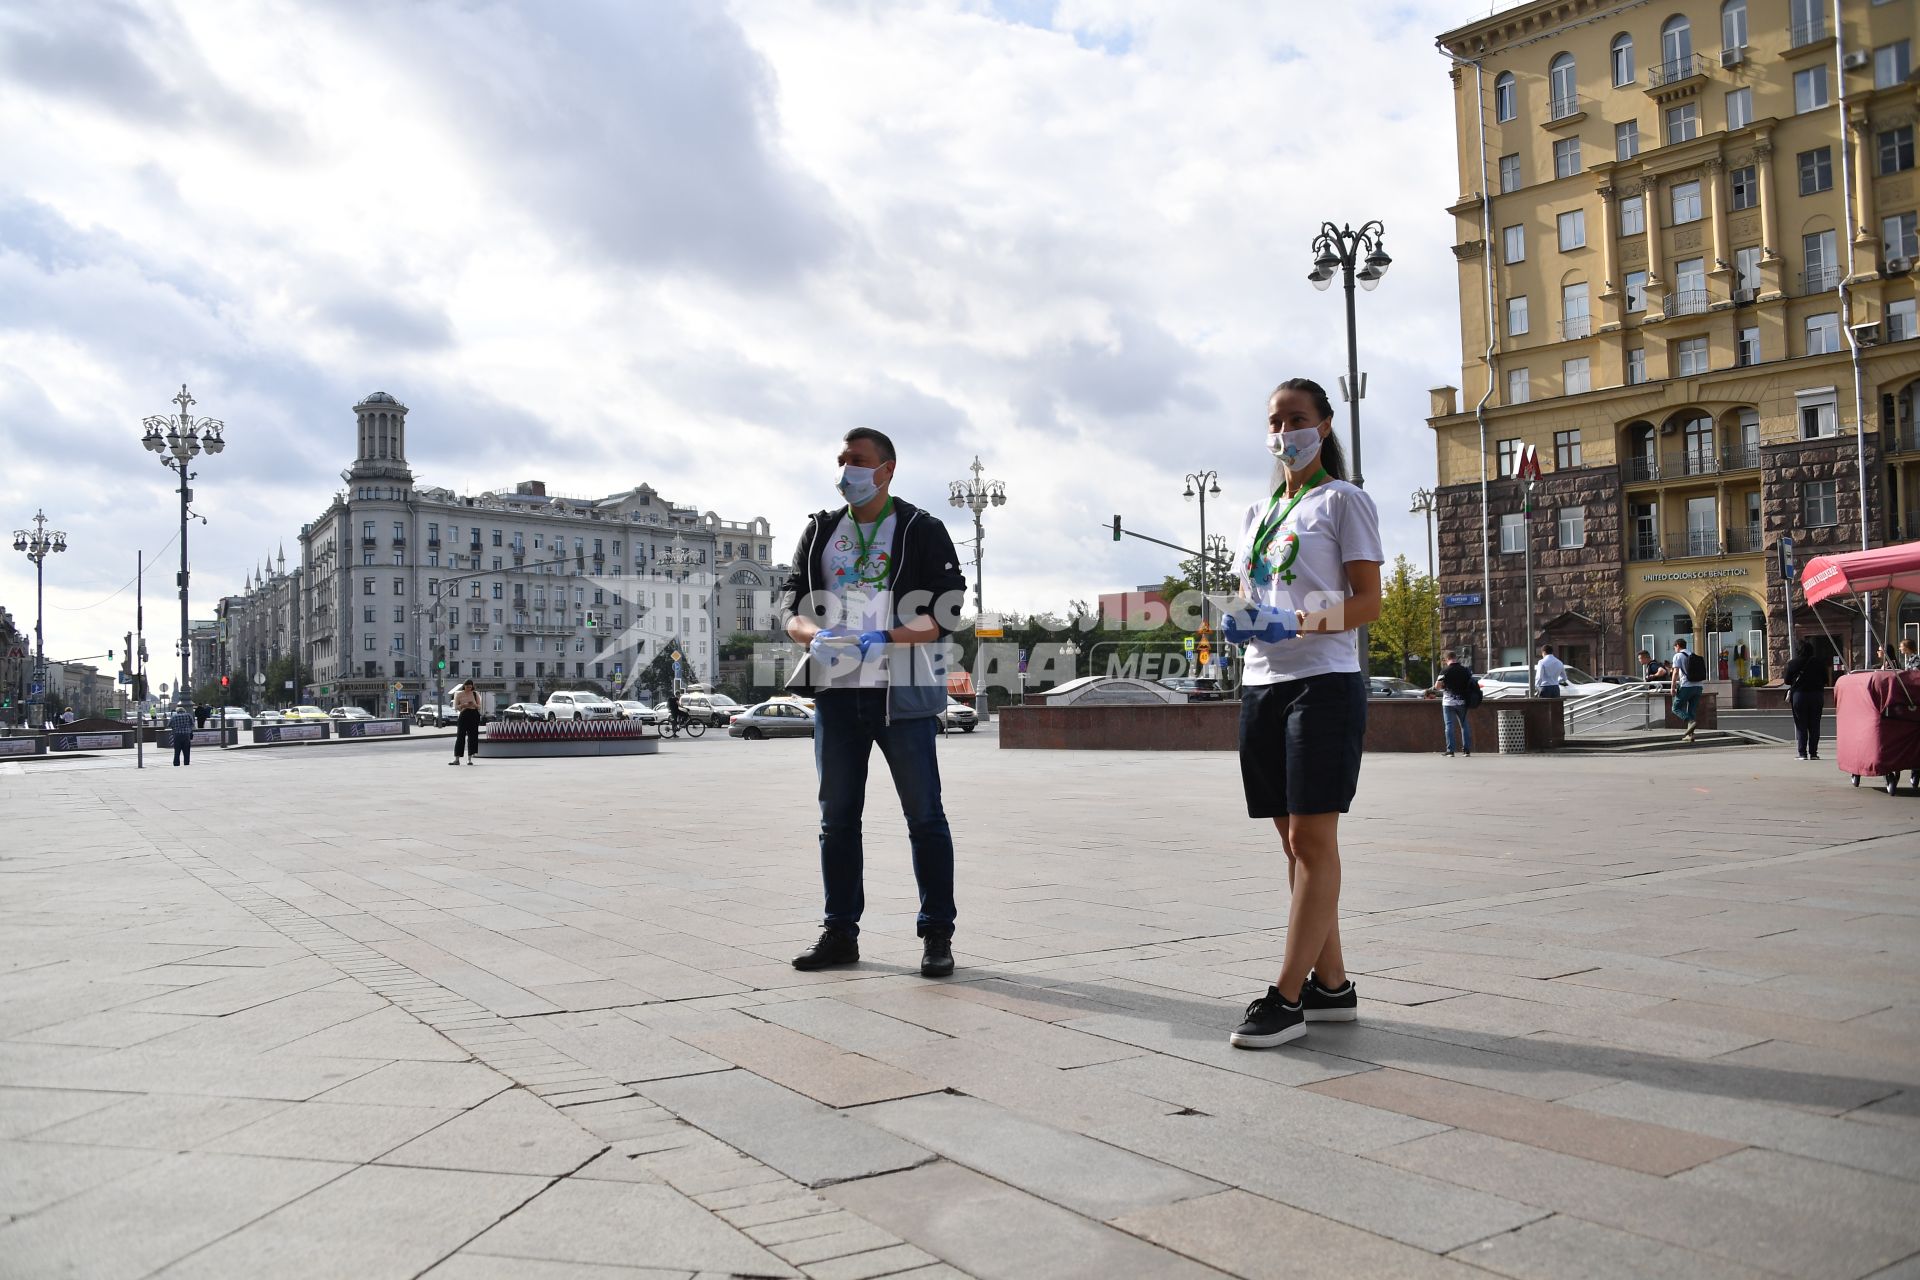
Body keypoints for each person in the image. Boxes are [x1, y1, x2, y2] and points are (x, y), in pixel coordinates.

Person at [1219, 378, 1383, 1051]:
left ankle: (1286, 997)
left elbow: (1369, 601)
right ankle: (1333, 986)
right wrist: (1239, 619)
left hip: (1323, 683)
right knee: (1293, 844)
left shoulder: (1343, 500)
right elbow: (1245, 592)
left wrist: (1298, 621)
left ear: (1324, 424)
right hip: (1263, 686)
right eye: (1274, 421)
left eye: (1296, 419)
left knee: (1315, 843)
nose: (1283, 431)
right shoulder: (1257, 512)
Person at [782, 427, 968, 979]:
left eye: (858, 461)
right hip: (836, 691)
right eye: (841, 460)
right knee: (836, 819)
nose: (847, 472)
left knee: (925, 817)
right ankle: (839, 931)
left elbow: (947, 613)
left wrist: (886, 637)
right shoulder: (821, 531)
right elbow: (791, 605)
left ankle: (937, 934)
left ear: (887, 468)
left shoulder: (920, 528)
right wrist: (809, 633)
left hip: (901, 691)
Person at [1783, 638, 1828, 761]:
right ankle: (1813, 753)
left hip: (1799, 696)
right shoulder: (1819, 662)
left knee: (1801, 725)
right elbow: (1825, 679)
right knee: (1815, 724)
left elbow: (1787, 681)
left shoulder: (1793, 663)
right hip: (1816, 696)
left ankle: (1802, 753)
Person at [1431, 649, 1475, 757]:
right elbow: (1471, 683)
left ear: (1446, 659)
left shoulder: (1444, 671)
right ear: (1456, 658)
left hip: (1448, 702)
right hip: (1462, 702)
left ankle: (1450, 751)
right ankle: (1466, 750)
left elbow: (1437, 687)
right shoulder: (1465, 670)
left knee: (1449, 725)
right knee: (1464, 725)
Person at [1671, 637, 1702, 743]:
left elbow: (1675, 673)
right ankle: (1690, 736)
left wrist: (1673, 687)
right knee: (1691, 710)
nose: (1674, 649)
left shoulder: (1678, 656)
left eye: (1674, 647)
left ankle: (1690, 721)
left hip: (1686, 686)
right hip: (1698, 686)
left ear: (1678, 646)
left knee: (1675, 708)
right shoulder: (1693, 655)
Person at [450, 679, 482, 765]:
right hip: (464, 714)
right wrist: (464, 705)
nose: (469, 688)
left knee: (472, 737)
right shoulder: (459, 694)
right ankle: (457, 759)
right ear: (464, 686)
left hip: (473, 715)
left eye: (470, 687)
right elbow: (456, 707)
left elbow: (479, 707)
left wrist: (473, 705)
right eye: (467, 686)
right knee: (460, 736)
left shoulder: (475, 694)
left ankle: (469, 759)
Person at [169, 701, 195, 766]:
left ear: (177, 711)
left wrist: (175, 727)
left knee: (177, 751)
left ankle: (176, 763)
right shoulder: (188, 715)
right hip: (186, 735)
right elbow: (192, 725)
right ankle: (186, 763)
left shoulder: (174, 716)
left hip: (177, 735)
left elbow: (169, 725)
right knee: (186, 751)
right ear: (184, 711)